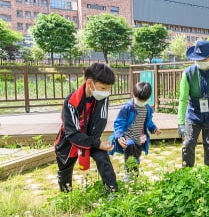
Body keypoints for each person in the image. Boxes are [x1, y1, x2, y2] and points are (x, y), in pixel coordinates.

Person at [54, 63, 118, 193]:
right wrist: (97, 143)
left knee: (103, 159)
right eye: (103, 88)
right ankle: (66, 197)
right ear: (90, 83)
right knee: (65, 168)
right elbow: (71, 133)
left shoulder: (102, 97)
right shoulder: (71, 101)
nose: (106, 92)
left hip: (91, 136)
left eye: (108, 89)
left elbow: (101, 120)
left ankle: (113, 193)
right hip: (69, 141)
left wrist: (96, 143)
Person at [178, 40, 209, 167]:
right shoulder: (188, 73)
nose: (200, 62)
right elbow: (183, 99)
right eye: (197, 59)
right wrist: (181, 122)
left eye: (203, 59)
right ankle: (186, 173)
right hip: (194, 112)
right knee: (188, 144)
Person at [108, 81, 161, 181]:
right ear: (134, 95)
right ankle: (128, 173)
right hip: (127, 137)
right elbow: (119, 122)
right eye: (139, 99)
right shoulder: (127, 108)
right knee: (130, 147)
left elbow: (148, 122)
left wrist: (154, 129)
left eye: (144, 100)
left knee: (136, 158)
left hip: (139, 139)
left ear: (148, 98)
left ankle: (134, 176)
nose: (141, 101)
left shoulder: (147, 109)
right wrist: (119, 136)